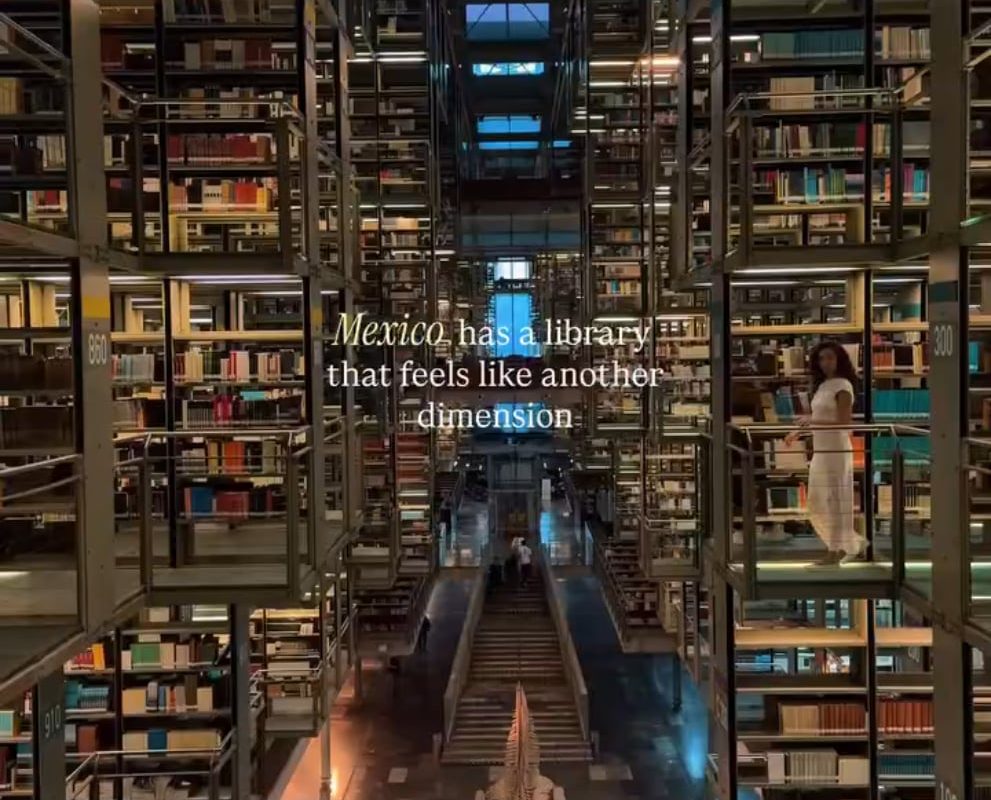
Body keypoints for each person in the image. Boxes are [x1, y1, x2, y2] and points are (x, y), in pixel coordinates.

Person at [784, 340, 864, 565]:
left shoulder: (843, 386)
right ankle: (843, 545)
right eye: (821, 359)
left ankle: (835, 551)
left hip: (836, 448)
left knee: (836, 499)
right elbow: (816, 417)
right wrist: (796, 432)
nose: (825, 363)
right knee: (817, 500)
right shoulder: (822, 386)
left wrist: (811, 420)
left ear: (839, 359)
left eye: (830, 357)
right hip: (821, 448)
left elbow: (843, 423)